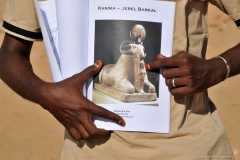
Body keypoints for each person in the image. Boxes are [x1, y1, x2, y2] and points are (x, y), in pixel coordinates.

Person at [0, 0, 239, 159]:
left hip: (190, 147)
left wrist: (217, 68)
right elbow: (10, 52)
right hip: (91, 150)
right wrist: (44, 93)